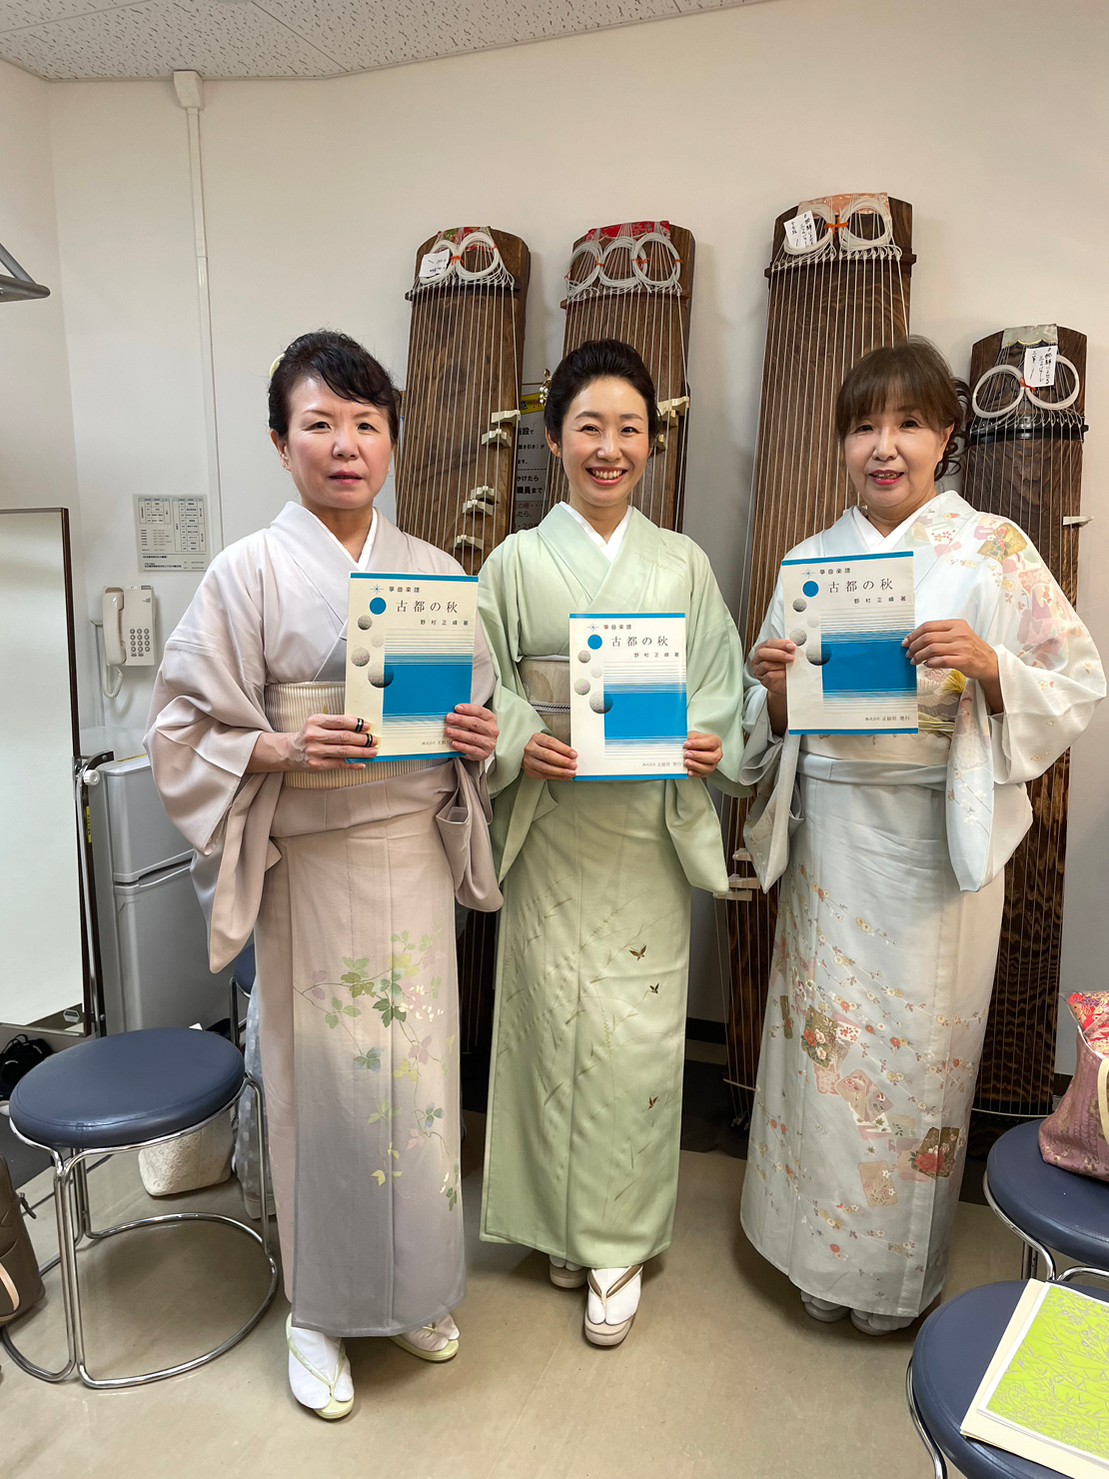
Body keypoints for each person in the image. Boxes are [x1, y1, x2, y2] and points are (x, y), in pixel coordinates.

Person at [146, 330, 499, 1418]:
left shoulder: (436, 573)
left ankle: (417, 1287)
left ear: (391, 441)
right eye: (320, 424)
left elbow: (473, 709)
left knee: (419, 1086)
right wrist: (279, 746)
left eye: (366, 424)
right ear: (280, 441)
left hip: (411, 855)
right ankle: (320, 1309)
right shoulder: (245, 572)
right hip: (310, 865)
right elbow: (176, 728)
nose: (345, 445)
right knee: (328, 1093)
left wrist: (477, 736)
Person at [739, 337, 1104, 1334]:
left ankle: (892, 1277)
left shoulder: (992, 549)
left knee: (915, 1057)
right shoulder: (809, 562)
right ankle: (814, 1255)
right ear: (841, 444)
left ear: (946, 435)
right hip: (833, 836)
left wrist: (990, 665)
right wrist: (775, 694)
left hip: (937, 837)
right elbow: (758, 721)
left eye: (906, 423)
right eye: (862, 426)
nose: (883, 446)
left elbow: (1076, 683)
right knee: (822, 1056)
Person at [477, 339, 746, 1346]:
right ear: (552, 440)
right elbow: (480, 680)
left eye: (628, 428)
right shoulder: (512, 562)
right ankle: (557, 1223)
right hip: (551, 831)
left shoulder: (682, 564)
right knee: (548, 1029)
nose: (609, 447)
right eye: (587, 426)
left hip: (641, 837)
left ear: (650, 445)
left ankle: (617, 1240)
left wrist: (708, 738)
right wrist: (518, 738)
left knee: (631, 1041)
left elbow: (718, 684)